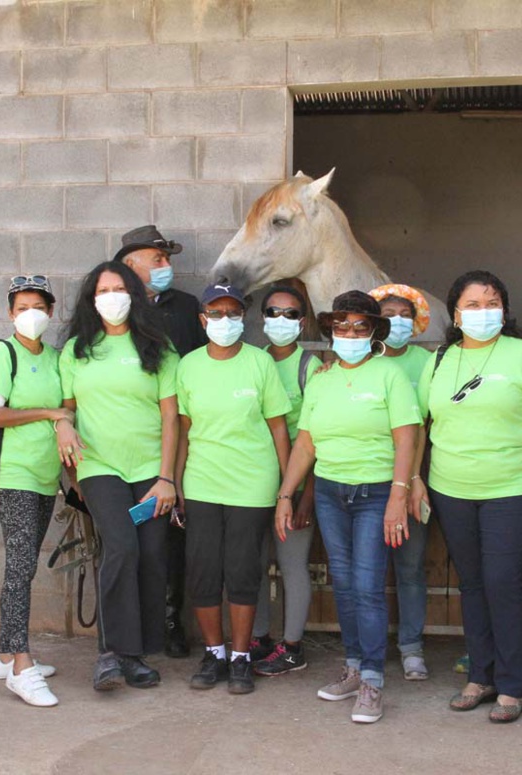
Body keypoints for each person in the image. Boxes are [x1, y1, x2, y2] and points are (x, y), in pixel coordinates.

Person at [409, 270, 522, 724]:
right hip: (451, 489)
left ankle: (513, 684)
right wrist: (415, 478)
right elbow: (421, 424)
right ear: (456, 315)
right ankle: (481, 676)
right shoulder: (439, 360)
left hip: (513, 489)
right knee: (473, 583)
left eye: (492, 303)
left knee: (503, 581)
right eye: (473, 305)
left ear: (505, 309)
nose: (484, 312)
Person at [276, 290, 421, 724]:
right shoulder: (322, 379)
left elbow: (407, 438)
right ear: (330, 330)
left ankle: (373, 681)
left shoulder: (390, 374)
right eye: (342, 326)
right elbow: (306, 443)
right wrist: (286, 494)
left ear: (374, 332)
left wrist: (398, 495)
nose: (350, 334)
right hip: (330, 493)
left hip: (376, 493)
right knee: (343, 583)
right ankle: (354, 667)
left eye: (360, 326)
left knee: (368, 586)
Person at [55, 262, 179, 693]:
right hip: (98, 466)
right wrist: (62, 424)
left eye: (119, 289)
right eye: (103, 290)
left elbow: (171, 418)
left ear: (134, 296)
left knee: (151, 554)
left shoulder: (158, 348)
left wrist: (167, 478)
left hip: (150, 471)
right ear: (92, 300)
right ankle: (111, 654)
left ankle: (136, 653)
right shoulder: (77, 350)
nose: (111, 297)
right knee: (121, 547)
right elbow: (67, 407)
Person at [176, 282, 291, 694]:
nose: (224, 320)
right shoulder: (188, 366)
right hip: (202, 483)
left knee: (243, 571)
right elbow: (183, 431)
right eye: (216, 312)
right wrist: (176, 482)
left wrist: (286, 490)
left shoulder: (260, 363)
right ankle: (214, 654)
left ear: (243, 318)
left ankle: (241, 656)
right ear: (202, 319)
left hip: (252, 484)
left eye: (233, 313)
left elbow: (279, 428)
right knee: (203, 571)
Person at [115, 225, 206, 659]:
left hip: (177, 439)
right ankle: (126, 626)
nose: (167, 266)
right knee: (124, 541)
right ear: (130, 265)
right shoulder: (113, 311)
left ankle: (170, 621)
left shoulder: (186, 308)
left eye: (167, 259)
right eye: (158, 259)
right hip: (123, 444)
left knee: (172, 537)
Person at [0, 275, 68, 707]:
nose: (30, 314)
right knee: (18, 569)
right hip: (11, 475)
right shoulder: (3, 353)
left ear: (50, 312)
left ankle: (3, 656)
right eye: (21, 308)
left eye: (38, 307)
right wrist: (49, 412)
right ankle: (21, 666)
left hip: (44, 474)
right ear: (10, 314)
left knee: (25, 567)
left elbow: (69, 409)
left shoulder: (55, 358)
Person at [250, 285, 321, 676]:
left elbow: (317, 437)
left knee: (292, 564)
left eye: (291, 314)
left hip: (295, 485)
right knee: (255, 563)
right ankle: (259, 638)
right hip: (255, 481)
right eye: (273, 312)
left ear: (303, 321)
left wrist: (306, 494)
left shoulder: (310, 366)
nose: (281, 320)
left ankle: (292, 646)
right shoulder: (253, 361)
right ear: (262, 319)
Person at [368, 283, 432, 681]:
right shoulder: (359, 360)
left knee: (410, 566)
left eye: (405, 316)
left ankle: (411, 648)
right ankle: (367, 652)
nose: (397, 322)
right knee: (369, 570)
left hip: (411, 479)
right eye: (388, 315)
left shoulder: (427, 361)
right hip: (369, 479)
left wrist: (413, 479)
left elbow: (422, 425)